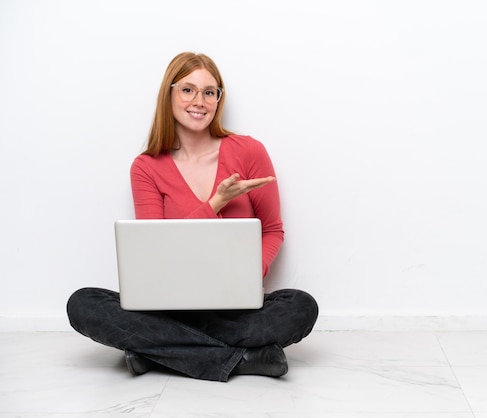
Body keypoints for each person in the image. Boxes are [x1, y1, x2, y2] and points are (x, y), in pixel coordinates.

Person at [66, 52, 318, 382]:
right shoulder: (146, 167)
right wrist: (215, 203)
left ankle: (155, 353)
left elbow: (272, 230)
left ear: (218, 99)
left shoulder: (249, 151)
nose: (199, 101)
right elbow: (155, 250)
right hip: (168, 306)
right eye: (187, 90)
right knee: (83, 304)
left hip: (233, 307)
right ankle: (246, 358)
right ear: (168, 94)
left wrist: (246, 275)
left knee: (300, 305)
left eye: (209, 92)